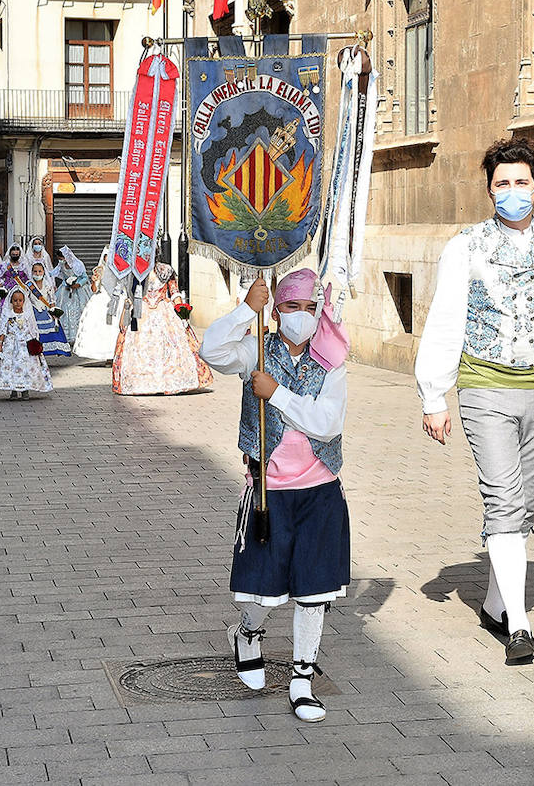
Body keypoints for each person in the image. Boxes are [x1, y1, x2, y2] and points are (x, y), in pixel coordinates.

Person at [414, 136, 534, 665]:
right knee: (502, 498)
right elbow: (446, 318)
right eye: (503, 183)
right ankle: (518, 625)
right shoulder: (466, 247)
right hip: (484, 389)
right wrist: (435, 394)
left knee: (523, 506)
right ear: (489, 191)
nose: (513, 191)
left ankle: (496, 604)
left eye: (522, 182)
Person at [199, 268, 348, 723]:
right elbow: (211, 350)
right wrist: (247, 308)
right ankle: (247, 633)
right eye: (290, 307)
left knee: (314, 590)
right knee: (259, 590)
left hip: (319, 491)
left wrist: (277, 394)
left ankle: (302, 677)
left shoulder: (331, 361)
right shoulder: (256, 351)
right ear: (277, 309)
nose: (301, 317)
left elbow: (328, 423)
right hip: (269, 491)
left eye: (309, 308)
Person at [112, 263, 213, 395]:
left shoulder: (165, 271)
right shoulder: (136, 270)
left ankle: (171, 381)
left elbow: (175, 293)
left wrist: (182, 313)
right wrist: (124, 315)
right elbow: (131, 296)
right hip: (141, 313)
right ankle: (143, 383)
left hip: (164, 312)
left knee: (171, 347)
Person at [0, 286, 52, 400]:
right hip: (11, 344)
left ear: (24, 301)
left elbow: (33, 329)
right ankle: (13, 389)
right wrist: (0, 344)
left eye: (20, 300)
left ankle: (25, 389)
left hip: (25, 345)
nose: (17, 303)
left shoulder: (27, 314)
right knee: (12, 367)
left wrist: (35, 343)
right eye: (15, 300)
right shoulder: (8, 314)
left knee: (26, 366)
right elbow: (3, 330)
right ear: (11, 301)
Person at [71, 248, 124, 362]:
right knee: (102, 328)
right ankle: (106, 355)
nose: (108, 258)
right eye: (106, 255)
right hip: (102, 301)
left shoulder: (121, 270)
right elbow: (94, 290)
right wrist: (95, 281)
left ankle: (116, 354)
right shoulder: (100, 270)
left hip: (117, 300)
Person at [24, 259, 71, 356]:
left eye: (40, 271)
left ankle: (53, 350)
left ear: (44, 272)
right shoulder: (29, 285)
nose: (37, 273)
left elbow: (52, 299)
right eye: (35, 271)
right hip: (33, 312)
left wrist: (53, 311)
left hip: (46, 311)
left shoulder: (47, 284)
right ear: (31, 272)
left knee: (52, 330)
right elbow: (26, 299)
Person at [53, 247, 93, 342]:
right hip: (65, 290)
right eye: (59, 259)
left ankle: (80, 336)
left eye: (61, 258)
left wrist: (77, 284)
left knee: (79, 311)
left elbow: (84, 277)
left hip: (79, 290)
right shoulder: (61, 265)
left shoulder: (77, 265)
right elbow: (58, 275)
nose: (60, 261)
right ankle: (66, 335)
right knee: (64, 310)